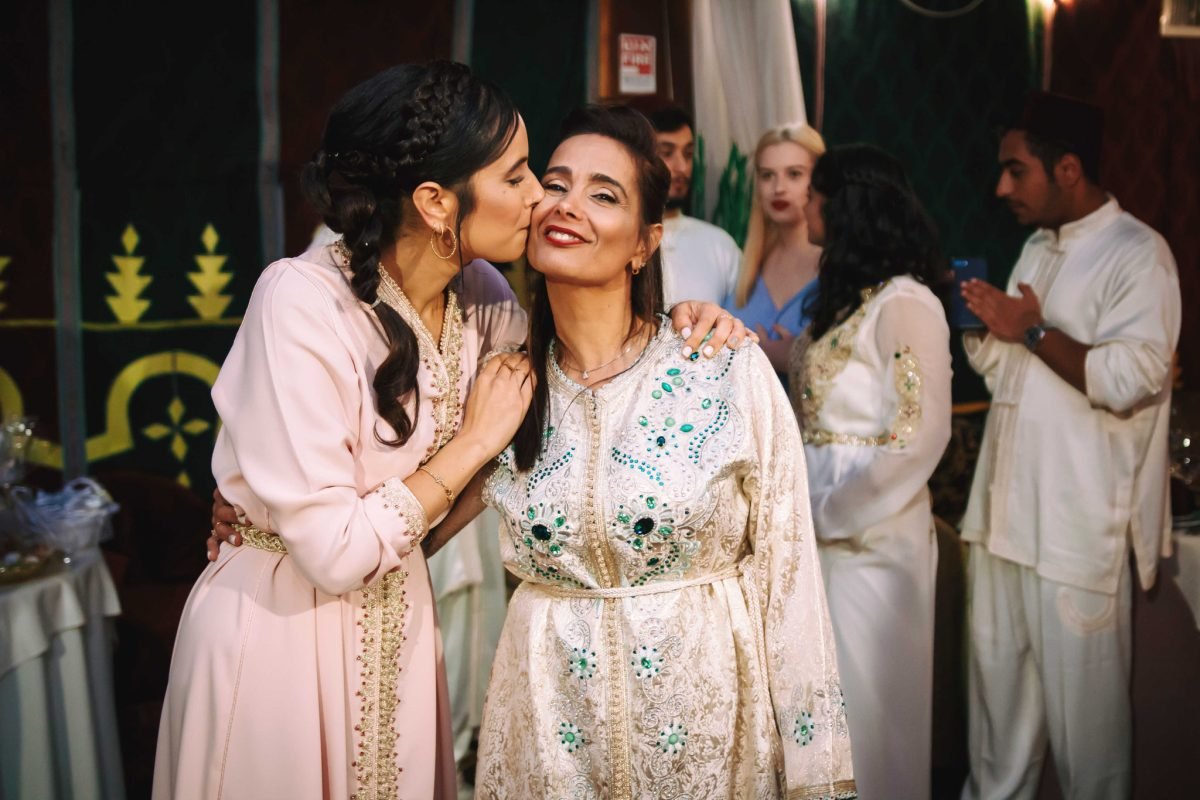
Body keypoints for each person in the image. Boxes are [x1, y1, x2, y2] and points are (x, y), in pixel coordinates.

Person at [189, 64, 751, 800]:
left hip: (398, 624)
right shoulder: (298, 299)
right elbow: (333, 551)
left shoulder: (482, 299)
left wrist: (677, 324)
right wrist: (473, 446)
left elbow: (571, 381)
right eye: (518, 176)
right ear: (435, 203)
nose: (540, 196)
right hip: (282, 629)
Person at [470, 105, 855, 798]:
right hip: (549, 739)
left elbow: (790, 574)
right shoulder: (504, 385)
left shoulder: (721, 367)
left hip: (706, 743)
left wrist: (815, 774)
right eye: (555, 184)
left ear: (645, 244)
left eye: (604, 194)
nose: (568, 205)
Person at [958, 90, 1181, 800]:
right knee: (996, 742)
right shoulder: (1036, 246)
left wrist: (1028, 329)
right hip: (1003, 524)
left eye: (1015, 171)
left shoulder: (1140, 254)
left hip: (1075, 532)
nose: (1002, 188)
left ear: (1069, 169)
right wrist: (992, 332)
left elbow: (1129, 378)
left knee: (1092, 750)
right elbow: (1020, 378)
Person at [789, 143, 952, 799]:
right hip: (816, 531)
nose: (804, 204)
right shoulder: (843, 299)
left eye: (814, 193)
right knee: (820, 709)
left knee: (871, 712)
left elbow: (919, 434)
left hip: (874, 538)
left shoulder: (906, 303)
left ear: (844, 205)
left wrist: (833, 513)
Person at [725, 123, 827, 385]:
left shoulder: (837, 266)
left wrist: (796, 357)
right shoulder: (744, 264)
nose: (779, 187)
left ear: (819, 180)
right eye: (767, 175)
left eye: (794, 174)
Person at [646, 105, 743, 307]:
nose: (682, 167)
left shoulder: (720, 246)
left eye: (688, 154)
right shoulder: (620, 240)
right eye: (666, 153)